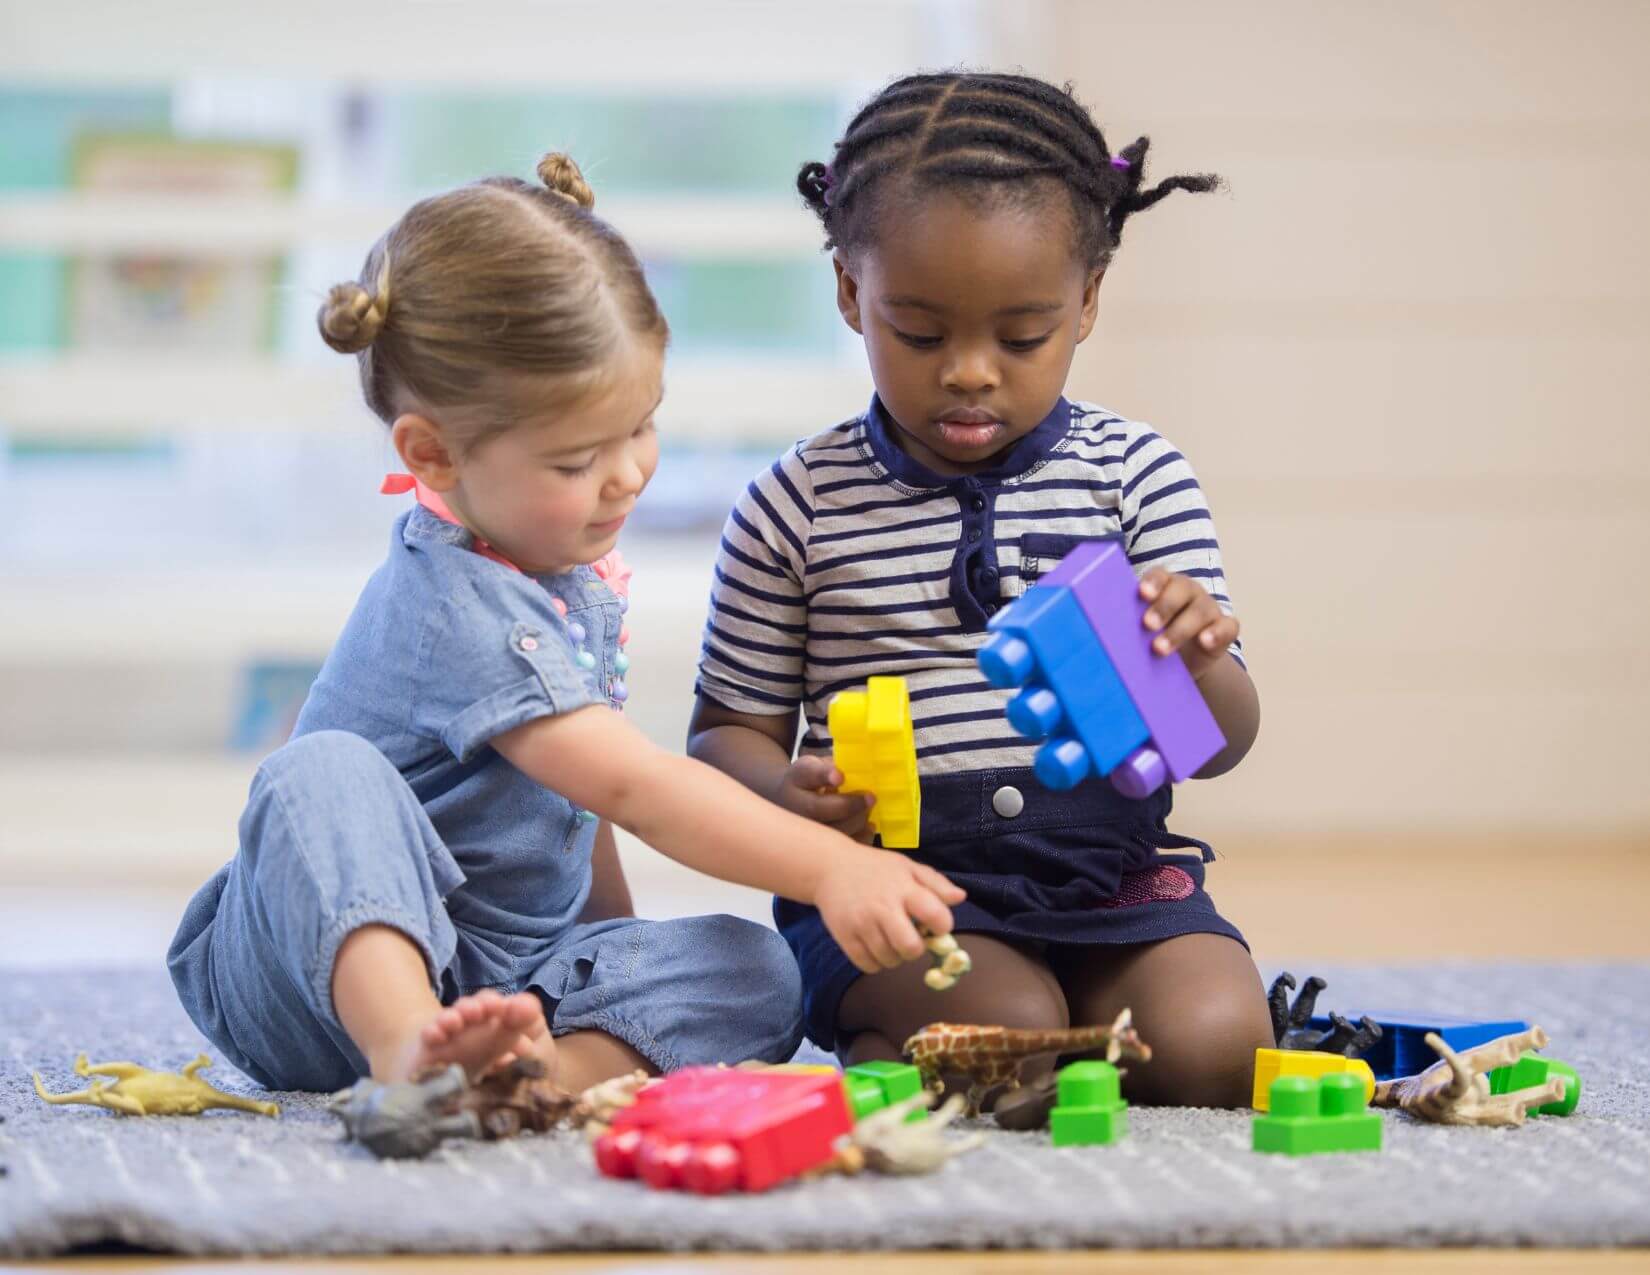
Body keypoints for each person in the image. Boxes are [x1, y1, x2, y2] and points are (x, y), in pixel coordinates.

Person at [168, 152, 962, 1096]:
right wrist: (831, 865)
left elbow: (580, 806)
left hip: (502, 974)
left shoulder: (562, 575)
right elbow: (636, 786)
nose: (628, 473)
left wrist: (611, 962)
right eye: (581, 456)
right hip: (312, 975)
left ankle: (536, 1073)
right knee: (318, 770)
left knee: (762, 969)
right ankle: (409, 1055)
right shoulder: (452, 600)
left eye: (643, 425)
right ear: (434, 452)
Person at [689, 74, 1273, 1107]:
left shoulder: (1136, 474)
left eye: (1020, 336)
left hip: (1115, 873)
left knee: (1216, 1046)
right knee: (1010, 1040)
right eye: (919, 333)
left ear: (1086, 302)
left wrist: (1197, 662)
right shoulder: (796, 503)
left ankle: (1065, 1023)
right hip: (898, 889)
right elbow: (724, 737)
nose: (968, 372)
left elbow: (1219, 745)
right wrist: (791, 800)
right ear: (848, 293)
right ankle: (927, 1030)